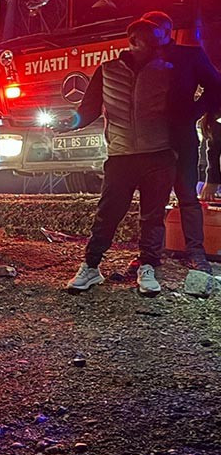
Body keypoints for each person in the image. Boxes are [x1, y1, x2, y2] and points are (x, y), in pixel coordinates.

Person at [61, 18, 176, 296]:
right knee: (108, 213)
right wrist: (71, 123)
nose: (147, 45)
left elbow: (180, 109)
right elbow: (88, 108)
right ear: (132, 41)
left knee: (152, 216)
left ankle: (148, 267)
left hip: (158, 155)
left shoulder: (168, 71)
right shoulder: (108, 70)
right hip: (121, 156)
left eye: (152, 39)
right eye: (142, 39)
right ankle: (91, 267)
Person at [140, 10, 221, 274]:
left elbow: (216, 86)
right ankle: (149, 256)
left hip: (180, 135)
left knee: (187, 195)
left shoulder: (190, 55)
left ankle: (197, 255)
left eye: (153, 30)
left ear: (166, 30)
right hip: (149, 138)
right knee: (153, 199)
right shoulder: (139, 58)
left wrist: (194, 112)